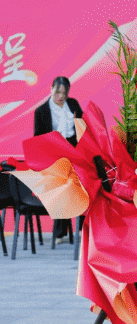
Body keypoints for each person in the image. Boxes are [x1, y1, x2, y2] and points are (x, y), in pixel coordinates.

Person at [33, 76, 83, 240]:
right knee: (63, 190)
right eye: (57, 92)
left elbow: (83, 126)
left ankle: (83, 228)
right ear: (51, 89)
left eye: (64, 93)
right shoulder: (41, 111)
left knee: (81, 187)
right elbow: (38, 138)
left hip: (75, 150)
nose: (61, 96)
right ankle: (60, 232)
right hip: (55, 154)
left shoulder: (73, 104)